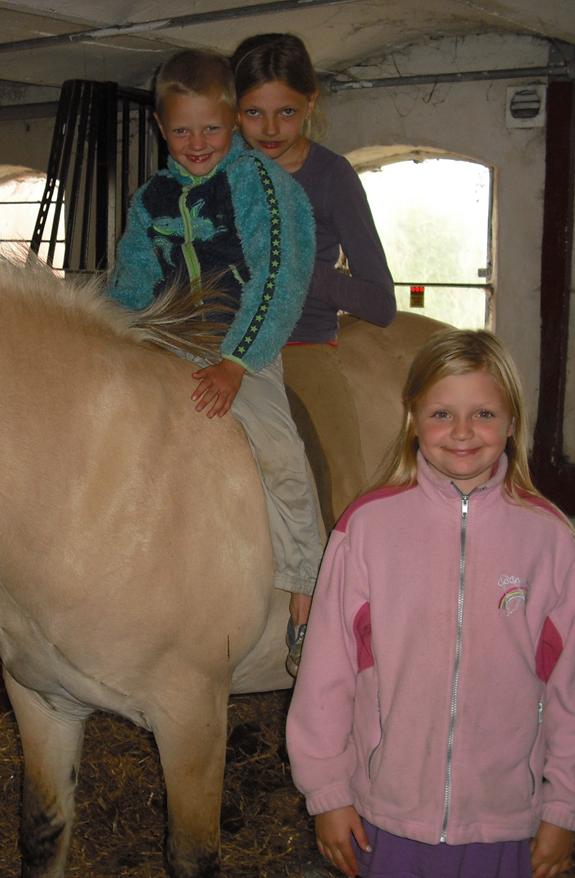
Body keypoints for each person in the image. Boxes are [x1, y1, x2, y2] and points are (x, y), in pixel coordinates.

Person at [286, 329, 575, 878]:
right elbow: (326, 671)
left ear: (512, 422)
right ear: (412, 418)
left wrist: (565, 808)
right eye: (441, 414)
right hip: (384, 814)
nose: (462, 432)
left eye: (483, 414)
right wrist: (328, 792)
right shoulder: (367, 529)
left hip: (505, 820)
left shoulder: (548, 540)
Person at [107, 48, 325, 672]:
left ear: (232, 122)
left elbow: (280, 278)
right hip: (168, 341)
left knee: (283, 457)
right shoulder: (152, 197)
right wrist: (116, 335)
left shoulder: (262, 186)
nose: (197, 142)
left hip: (241, 344)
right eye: (182, 129)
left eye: (210, 128)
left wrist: (237, 363)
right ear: (160, 127)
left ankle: (305, 593)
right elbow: (133, 277)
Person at [230, 33, 398, 668]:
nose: (270, 129)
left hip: (302, 343)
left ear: (312, 104)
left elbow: (379, 301)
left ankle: (331, 630)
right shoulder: (222, 170)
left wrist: (299, 271)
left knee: (340, 486)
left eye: (287, 112)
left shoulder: (331, 177)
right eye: (253, 113)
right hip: (222, 343)